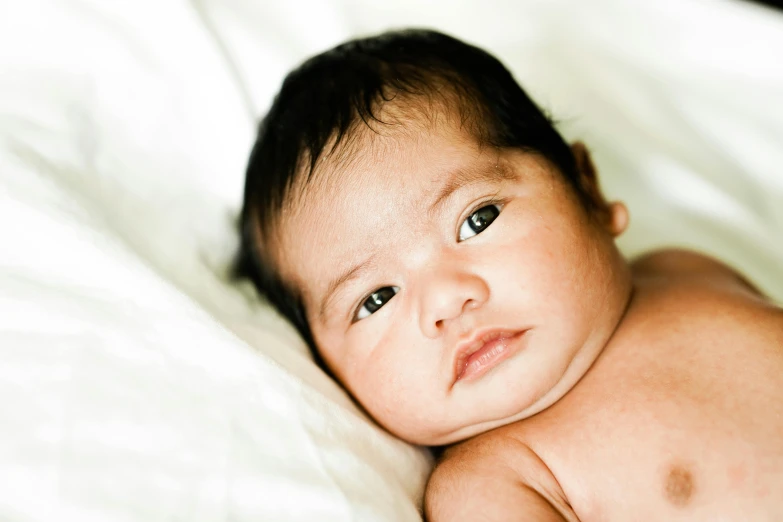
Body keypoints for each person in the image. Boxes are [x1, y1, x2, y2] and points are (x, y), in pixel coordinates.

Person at [233, 29, 783, 520]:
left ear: (587, 188)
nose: (446, 300)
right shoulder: (492, 480)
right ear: (327, 370)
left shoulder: (685, 268)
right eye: (376, 298)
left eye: (477, 219)